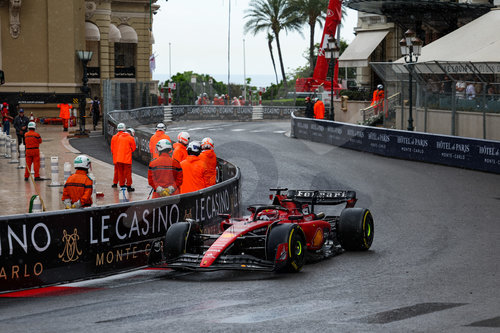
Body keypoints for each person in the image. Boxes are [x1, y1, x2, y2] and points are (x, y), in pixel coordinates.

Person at [111, 123, 136, 191]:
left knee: (119, 172)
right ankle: (128, 186)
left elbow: (112, 149)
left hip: (118, 158)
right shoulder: (130, 138)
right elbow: (133, 148)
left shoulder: (115, 137)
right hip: (127, 159)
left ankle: (121, 184)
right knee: (128, 173)